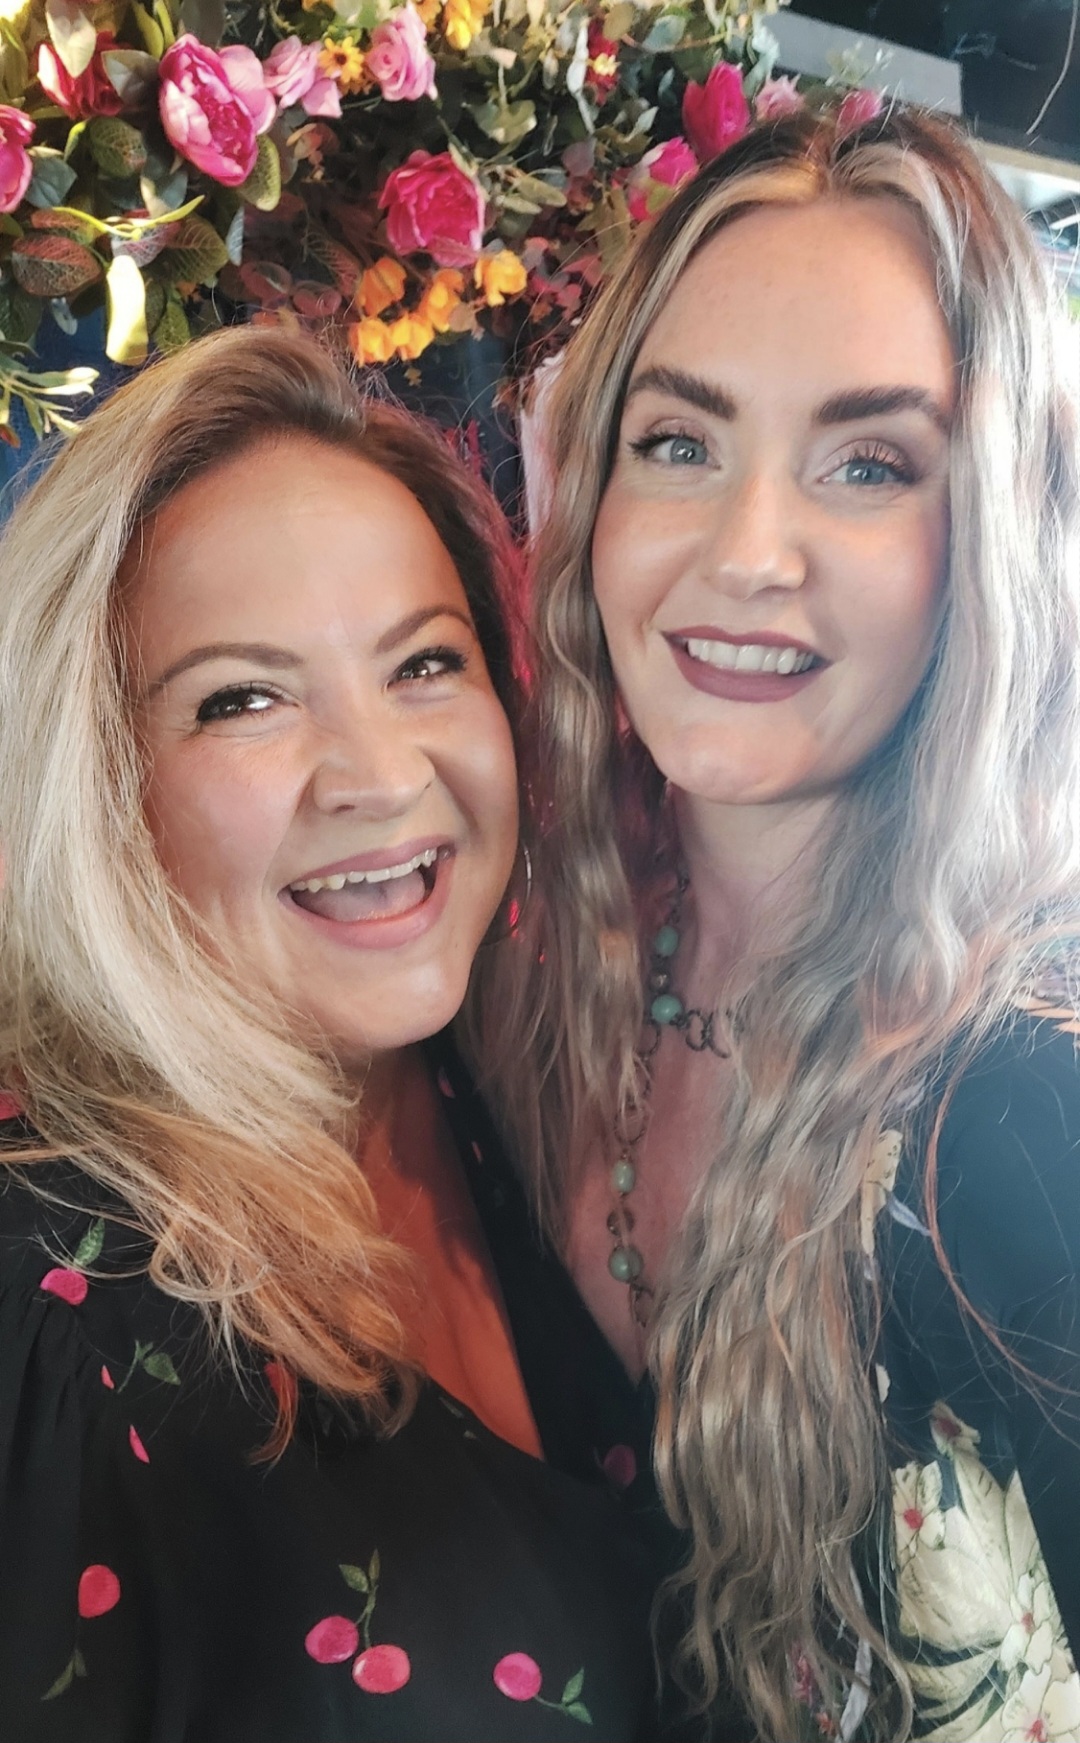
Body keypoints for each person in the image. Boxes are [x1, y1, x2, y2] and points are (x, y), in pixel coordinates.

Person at [470, 105, 1080, 1741]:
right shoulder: (525, 979)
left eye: (868, 464)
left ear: (994, 537)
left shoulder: (1026, 1111)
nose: (747, 554)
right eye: (680, 442)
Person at [0, 325, 653, 1742]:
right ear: (96, 783)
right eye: (243, 698)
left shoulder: (516, 1101)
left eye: (424, 663)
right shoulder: (58, 1324)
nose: (378, 774)